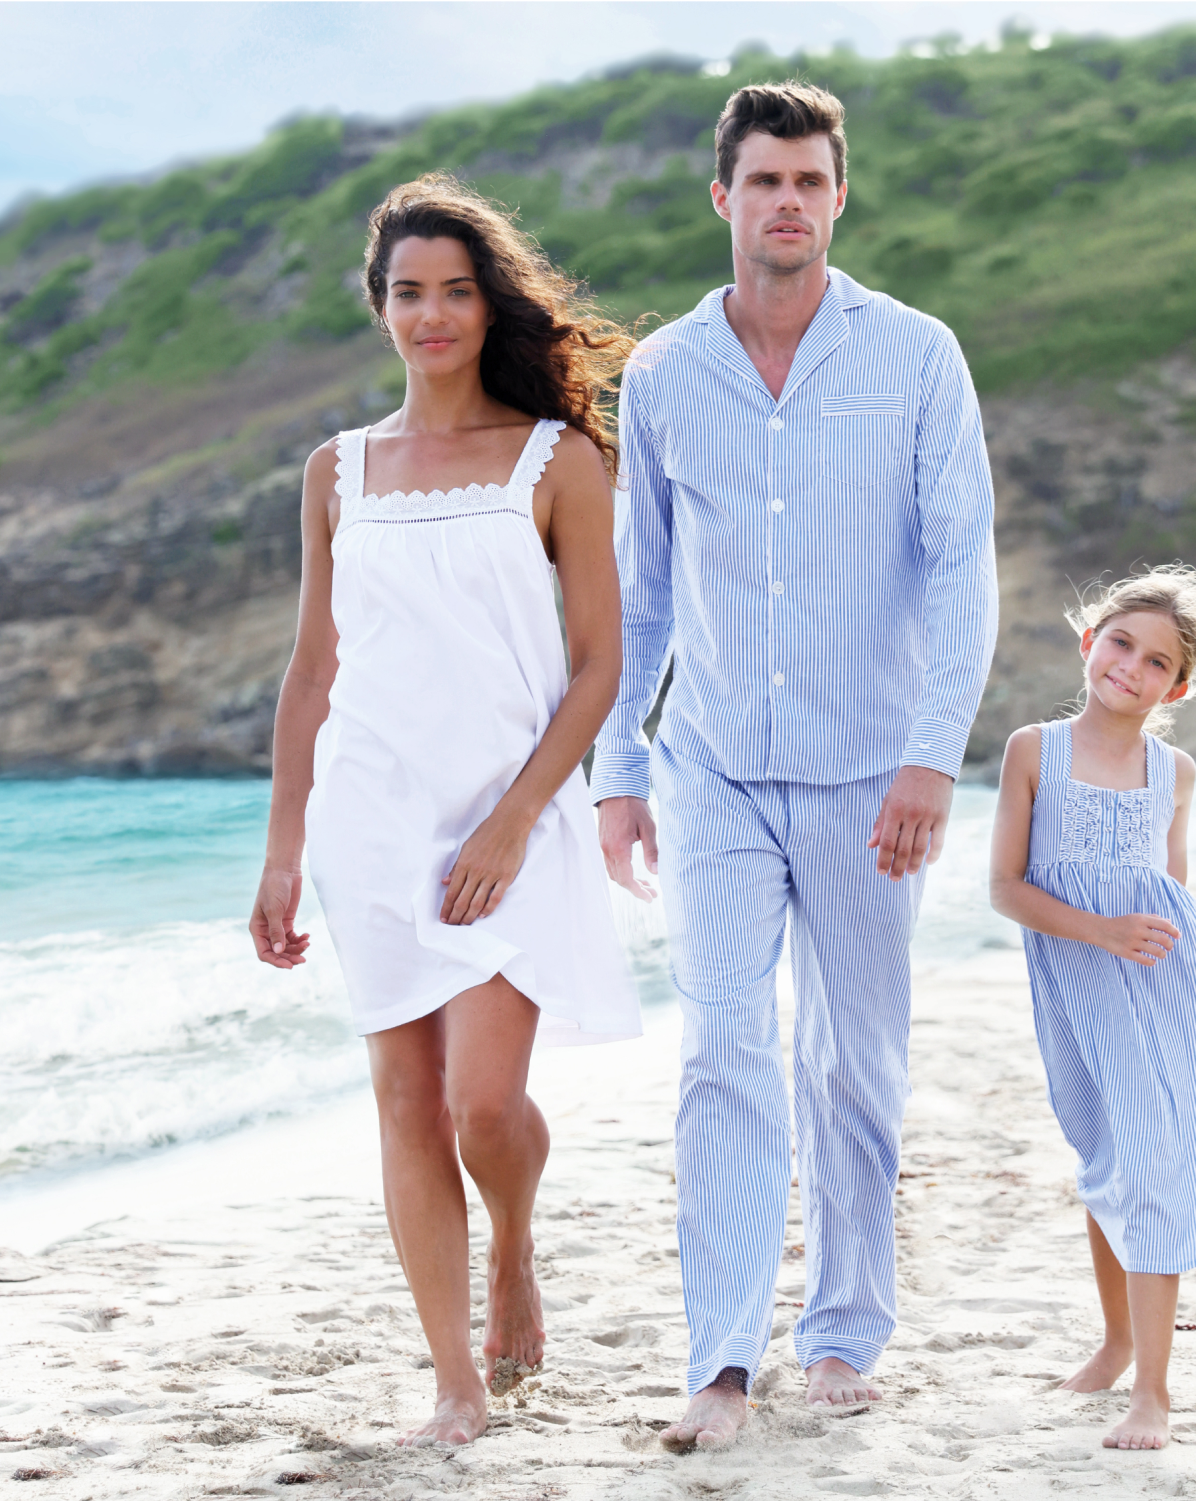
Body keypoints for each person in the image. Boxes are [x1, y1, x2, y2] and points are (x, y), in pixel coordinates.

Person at [592, 82, 999, 1450]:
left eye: (810, 182)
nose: (787, 203)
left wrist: (932, 758)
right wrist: (617, 769)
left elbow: (962, 569)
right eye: (763, 180)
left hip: (869, 770)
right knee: (722, 1049)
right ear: (723, 198)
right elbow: (638, 591)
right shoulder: (663, 374)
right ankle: (719, 1357)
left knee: (852, 1065)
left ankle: (841, 1333)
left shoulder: (919, 356)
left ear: (840, 195)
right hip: (707, 763)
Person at [248, 173, 641, 1447]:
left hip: (505, 821)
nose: (432, 315)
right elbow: (314, 671)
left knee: (482, 1102)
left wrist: (520, 818)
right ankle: (454, 1384)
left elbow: (600, 667)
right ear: (380, 308)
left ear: (489, 307)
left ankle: (515, 1242)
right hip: (371, 823)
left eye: (455, 292)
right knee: (405, 1101)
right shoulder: (336, 471)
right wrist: (281, 852)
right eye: (408, 292)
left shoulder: (554, 460)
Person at [988, 564, 1196, 1451]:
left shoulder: (1176, 770)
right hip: (1080, 990)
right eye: (1121, 641)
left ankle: (1152, 1392)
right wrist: (1100, 931)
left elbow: (1173, 886)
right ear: (1090, 642)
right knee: (1108, 1156)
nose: (1132, 665)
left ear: (1179, 685)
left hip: (1169, 990)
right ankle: (1117, 1340)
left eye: (1158, 660)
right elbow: (1006, 888)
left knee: (1152, 1164)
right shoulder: (1033, 750)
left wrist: (1140, 945)